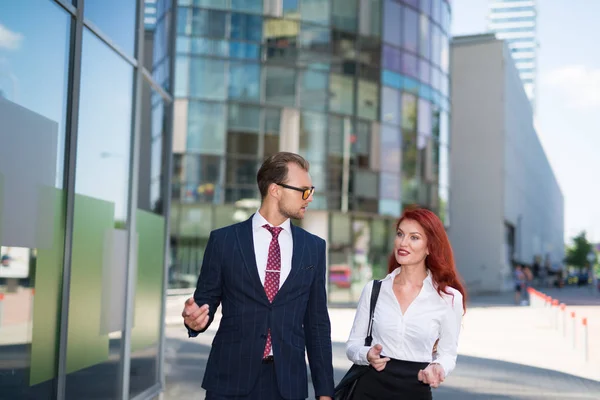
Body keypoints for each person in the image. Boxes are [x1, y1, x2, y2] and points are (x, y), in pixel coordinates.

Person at [182, 152, 334, 400]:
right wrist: (194, 321)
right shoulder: (224, 241)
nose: (310, 197)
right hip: (229, 381)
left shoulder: (313, 247)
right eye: (304, 191)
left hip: (287, 385)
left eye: (312, 190)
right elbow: (204, 303)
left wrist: (325, 391)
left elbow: (317, 324)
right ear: (275, 190)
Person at [345, 207, 466, 400]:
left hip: (415, 391)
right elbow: (353, 346)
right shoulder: (374, 290)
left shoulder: (449, 298)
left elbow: (448, 354)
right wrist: (367, 354)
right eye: (400, 234)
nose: (403, 242)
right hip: (369, 390)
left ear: (429, 247)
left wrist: (437, 367)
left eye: (414, 237)